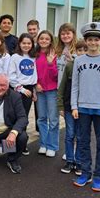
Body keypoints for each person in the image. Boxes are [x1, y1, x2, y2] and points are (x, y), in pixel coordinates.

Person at [71, 22, 100, 192]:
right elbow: (74, 85)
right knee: (83, 141)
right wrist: (74, 106)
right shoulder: (79, 60)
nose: (93, 43)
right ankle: (85, 172)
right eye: (90, 39)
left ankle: (99, 176)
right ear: (86, 41)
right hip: (83, 108)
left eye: (96, 40)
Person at [57, 39, 87, 175]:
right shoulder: (70, 65)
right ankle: (70, 160)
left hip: (84, 108)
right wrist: (60, 105)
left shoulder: (89, 66)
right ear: (76, 52)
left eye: (84, 50)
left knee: (80, 135)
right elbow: (62, 86)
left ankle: (79, 162)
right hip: (69, 106)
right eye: (79, 50)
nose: (82, 53)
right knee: (70, 134)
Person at [8, 33, 37, 155]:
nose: (26, 45)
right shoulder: (14, 57)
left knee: (24, 118)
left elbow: (34, 75)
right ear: (19, 43)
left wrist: (33, 90)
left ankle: (22, 145)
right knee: (12, 117)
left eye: (29, 43)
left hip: (29, 90)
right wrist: (21, 89)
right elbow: (11, 75)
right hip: (17, 90)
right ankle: (9, 147)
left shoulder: (34, 57)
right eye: (24, 43)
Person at [35, 30, 59, 158]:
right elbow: (32, 73)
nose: (44, 40)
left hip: (52, 90)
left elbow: (56, 76)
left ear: (50, 41)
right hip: (40, 90)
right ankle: (43, 144)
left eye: (46, 39)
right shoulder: (35, 54)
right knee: (41, 118)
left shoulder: (54, 55)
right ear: (38, 40)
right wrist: (36, 84)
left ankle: (52, 146)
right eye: (41, 38)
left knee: (53, 119)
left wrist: (50, 64)